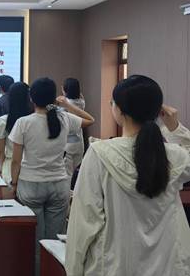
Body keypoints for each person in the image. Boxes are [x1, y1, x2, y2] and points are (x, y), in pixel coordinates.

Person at [65, 75, 190, 276]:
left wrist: (73, 270)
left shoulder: (99, 154)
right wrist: (175, 128)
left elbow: (84, 221)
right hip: (167, 266)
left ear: (120, 110)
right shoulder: (175, 156)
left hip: (113, 266)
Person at [9, 78, 94, 272]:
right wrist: (66, 105)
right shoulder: (64, 118)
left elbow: (15, 161)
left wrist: (14, 184)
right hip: (59, 185)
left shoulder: (24, 123)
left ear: (31, 98)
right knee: (56, 240)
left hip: (31, 185)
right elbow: (90, 120)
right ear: (53, 98)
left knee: (36, 239)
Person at [0, 82, 33, 184]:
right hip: (31, 167)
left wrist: (1, 169)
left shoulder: (2, 121)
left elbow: (0, 151)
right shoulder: (33, 121)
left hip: (9, 167)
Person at [62, 78, 86, 178]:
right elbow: (80, 95)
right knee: (77, 173)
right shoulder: (82, 102)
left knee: (67, 174)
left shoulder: (66, 104)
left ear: (65, 90)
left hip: (68, 143)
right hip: (79, 142)